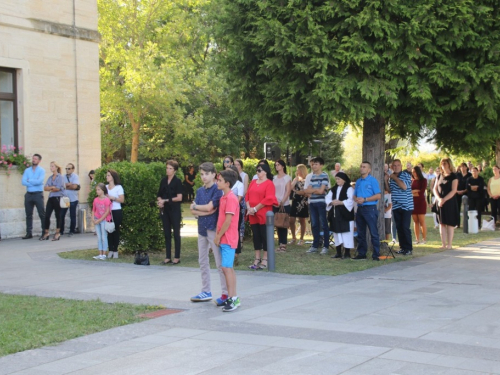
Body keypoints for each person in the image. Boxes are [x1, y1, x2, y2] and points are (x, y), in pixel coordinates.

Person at [189, 162, 226, 304]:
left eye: (206, 174)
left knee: (219, 262)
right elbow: (194, 210)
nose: (204, 177)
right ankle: (206, 291)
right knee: (202, 260)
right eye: (202, 174)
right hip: (201, 229)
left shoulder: (217, 190)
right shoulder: (199, 191)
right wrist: (202, 210)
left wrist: (199, 208)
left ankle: (225, 293)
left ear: (213, 175)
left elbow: (211, 207)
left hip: (213, 229)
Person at [214, 170, 241, 312]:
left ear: (227, 183)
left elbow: (228, 221)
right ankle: (232, 297)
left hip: (228, 239)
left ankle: (233, 298)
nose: (217, 182)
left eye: (219, 180)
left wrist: (218, 236)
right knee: (227, 268)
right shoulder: (223, 197)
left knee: (226, 268)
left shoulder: (231, 198)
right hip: (223, 239)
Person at [245, 163, 278, 270]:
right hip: (252, 214)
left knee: (265, 236)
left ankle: (265, 258)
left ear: (265, 171)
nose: (257, 172)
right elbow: (247, 195)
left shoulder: (269, 183)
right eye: (257, 170)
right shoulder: (253, 182)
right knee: (256, 236)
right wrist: (249, 208)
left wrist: (255, 209)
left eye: (259, 170)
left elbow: (268, 199)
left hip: (263, 213)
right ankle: (257, 258)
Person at [353, 161, 382, 260]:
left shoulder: (372, 180)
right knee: (360, 232)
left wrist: (365, 199)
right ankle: (362, 254)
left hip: (370, 208)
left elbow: (378, 195)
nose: (362, 168)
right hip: (360, 209)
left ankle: (376, 254)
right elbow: (354, 194)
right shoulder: (358, 181)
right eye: (361, 166)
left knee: (373, 232)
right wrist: (356, 199)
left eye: (364, 167)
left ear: (369, 170)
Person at [157, 160, 183, 264]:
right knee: (166, 233)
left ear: (175, 170)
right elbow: (159, 194)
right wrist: (160, 201)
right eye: (167, 168)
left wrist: (166, 200)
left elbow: (179, 197)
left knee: (176, 233)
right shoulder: (163, 180)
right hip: (165, 210)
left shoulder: (177, 181)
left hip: (175, 210)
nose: (168, 170)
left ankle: (177, 257)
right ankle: (168, 256)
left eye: (170, 168)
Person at [385, 159, 413, 255]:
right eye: (394, 165)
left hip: (406, 205)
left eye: (398, 165)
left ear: (401, 166)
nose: (396, 167)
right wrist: (386, 180)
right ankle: (403, 247)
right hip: (396, 205)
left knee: (405, 227)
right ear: (392, 167)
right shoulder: (391, 177)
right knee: (399, 227)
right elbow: (390, 190)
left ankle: (409, 248)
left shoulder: (405, 175)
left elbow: (404, 187)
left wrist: (394, 177)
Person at [304, 157, 330, 255]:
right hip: (312, 203)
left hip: (321, 203)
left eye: (316, 164)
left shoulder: (324, 176)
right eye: (313, 164)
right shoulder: (313, 177)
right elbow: (307, 191)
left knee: (323, 224)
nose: (314, 166)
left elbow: (321, 191)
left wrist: (314, 191)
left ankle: (326, 246)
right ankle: (315, 246)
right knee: (314, 224)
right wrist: (316, 190)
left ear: (321, 165)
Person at [326, 172, 355, 259]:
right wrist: (331, 202)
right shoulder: (334, 189)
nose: (337, 181)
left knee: (347, 234)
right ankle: (338, 252)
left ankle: (347, 253)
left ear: (344, 180)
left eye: (339, 179)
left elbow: (351, 200)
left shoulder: (349, 188)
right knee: (336, 233)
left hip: (345, 215)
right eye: (336, 179)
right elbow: (327, 198)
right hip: (335, 214)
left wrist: (341, 202)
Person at [434, 158, 459, 249]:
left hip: (450, 202)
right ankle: (443, 244)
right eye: (442, 163)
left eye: (445, 163)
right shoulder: (439, 176)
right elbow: (435, 188)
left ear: (449, 164)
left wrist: (444, 199)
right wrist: (439, 199)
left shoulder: (454, 176)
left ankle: (449, 244)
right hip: (440, 202)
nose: (443, 165)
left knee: (450, 223)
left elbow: (454, 190)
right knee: (442, 223)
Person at [21, 153, 45, 239]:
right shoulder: (27, 170)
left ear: (39, 161)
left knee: (42, 214)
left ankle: (44, 232)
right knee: (28, 214)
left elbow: (40, 182)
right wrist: (34, 181)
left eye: (35, 159)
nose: (33, 160)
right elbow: (23, 182)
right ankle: (29, 233)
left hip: (38, 194)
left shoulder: (41, 170)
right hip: (29, 194)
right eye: (33, 158)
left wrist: (29, 180)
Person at [41, 162, 65, 241]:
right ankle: (46, 232)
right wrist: (52, 188)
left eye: (52, 166)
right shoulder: (50, 177)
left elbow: (58, 188)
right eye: (50, 166)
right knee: (47, 215)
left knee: (58, 215)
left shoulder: (60, 177)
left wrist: (50, 188)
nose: (51, 168)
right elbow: (45, 188)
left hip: (58, 197)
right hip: (51, 197)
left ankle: (57, 233)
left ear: (56, 167)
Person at [273, 159, 292, 252]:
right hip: (274, 203)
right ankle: (280, 243)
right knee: (277, 223)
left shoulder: (287, 178)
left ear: (283, 166)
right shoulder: (274, 178)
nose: (277, 166)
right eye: (276, 165)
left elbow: (288, 191)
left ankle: (283, 244)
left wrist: (282, 202)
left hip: (284, 204)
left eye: (278, 165)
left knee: (283, 224)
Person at [227, 165, 245, 263]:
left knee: (235, 231)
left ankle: (236, 253)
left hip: (236, 209)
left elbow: (239, 198)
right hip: (225, 210)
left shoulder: (239, 184)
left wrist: (232, 206)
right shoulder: (225, 183)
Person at [106, 169, 125, 259]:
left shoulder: (118, 187)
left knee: (115, 230)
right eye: (107, 175)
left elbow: (122, 200)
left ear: (113, 177)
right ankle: (110, 249)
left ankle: (115, 250)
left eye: (109, 175)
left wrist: (112, 198)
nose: (107, 177)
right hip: (107, 211)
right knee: (109, 230)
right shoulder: (105, 187)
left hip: (116, 210)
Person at [289, 164, 309, 245]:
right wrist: (295, 181)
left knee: (302, 220)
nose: (297, 171)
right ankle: (293, 237)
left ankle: (301, 239)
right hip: (295, 200)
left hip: (303, 201)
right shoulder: (296, 179)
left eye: (298, 170)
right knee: (291, 220)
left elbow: (305, 192)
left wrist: (296, 191)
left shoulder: (307, 179)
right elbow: (291, 188)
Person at [92, 183, 112, 260]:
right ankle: (100, 253)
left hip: (103, 220)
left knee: (104, 236)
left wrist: (100, 220)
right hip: (96, 218)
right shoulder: (95, 199)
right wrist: (93, 218)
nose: (97, 191)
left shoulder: (106, 200)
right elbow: (93, 210)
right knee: (99, 237)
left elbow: (107, 211)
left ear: (103, 190)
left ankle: (104, 254)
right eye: (96, 190)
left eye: (98, 190)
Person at [60, 163, 80, 236]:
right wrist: (69, 184)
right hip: (65, 199)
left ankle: (72, 230)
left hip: (73, 199)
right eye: (66, 168)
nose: (67, 170)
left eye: (69, 168)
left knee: (72, 215)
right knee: (62, 215)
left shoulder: (75, 176)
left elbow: (75, 187)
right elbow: (61, 186)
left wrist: (66, 185)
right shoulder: (63, 177)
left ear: (72, 169)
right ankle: (61, 230)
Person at [411, 166, 428, 244]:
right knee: (415, 221)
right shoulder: (412, 181)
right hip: (413, 202)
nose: (413, 173)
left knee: (422, 221)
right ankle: (417, 239)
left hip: (420, 202)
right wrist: (415, 191)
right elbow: (409, 192)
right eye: (412, 172)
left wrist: (414, 192)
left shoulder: (423, 180)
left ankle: (424, 239)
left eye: (415, 171)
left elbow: (421, 193)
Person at [234, 158, 248, 243]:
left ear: (241, 166)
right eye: (235, 165)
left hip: (241, 200)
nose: (236, 166)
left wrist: (238, 198)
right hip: (232, 200)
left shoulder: (244, 175)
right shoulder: (231, 175)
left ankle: (241, 239)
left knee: (241, 220)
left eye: (238, 165)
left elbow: (245, 189)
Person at [456, 163, 471, 228]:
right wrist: (457, 191)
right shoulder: (457, 175)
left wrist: (464, 191)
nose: (462, 168)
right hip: (457, 193)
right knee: (457, 208)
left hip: (467, 192)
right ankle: (457, 224)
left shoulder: (469, 175)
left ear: (466, 167)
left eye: (463, 167)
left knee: (467, 208)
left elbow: (470, 184)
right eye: (461, 167)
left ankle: (467, 223)